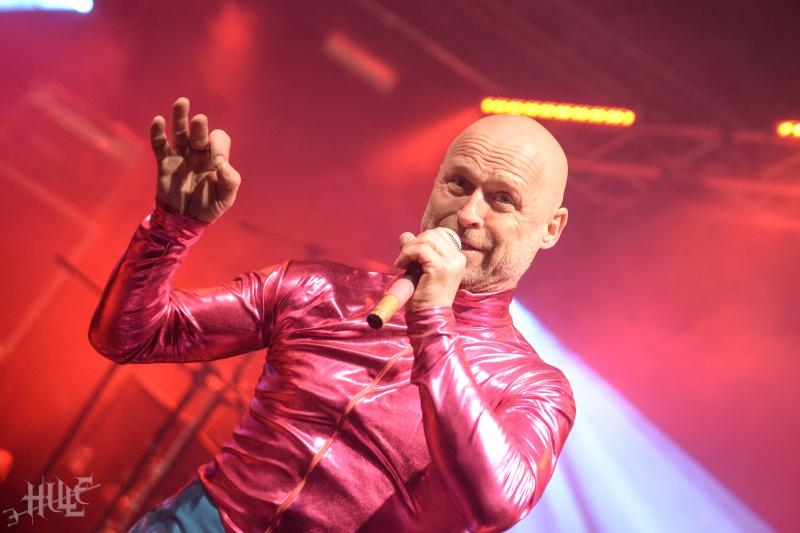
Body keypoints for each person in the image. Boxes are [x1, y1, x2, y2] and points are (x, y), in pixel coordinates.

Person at [89, 97, 575, 532]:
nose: (468, 214)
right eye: (459, 184)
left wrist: (432, 323)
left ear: (550, 228)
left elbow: (494, 503)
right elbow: (130, 337)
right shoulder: (318, 288)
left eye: (502, 199)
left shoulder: (535, 387)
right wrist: (171, 228)